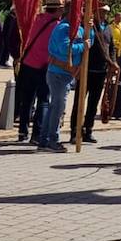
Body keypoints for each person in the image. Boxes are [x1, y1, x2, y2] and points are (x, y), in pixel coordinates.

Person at [17, 0, 63, 143]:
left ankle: (22, 131)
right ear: (57, 10)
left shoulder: (37, 19)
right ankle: (36, 134)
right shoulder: (57, 26)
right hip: (44, 66)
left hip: (28, 64)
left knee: (27, 100)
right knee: (43, 100)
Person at [38, 13, 85, 152]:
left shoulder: (80, 29)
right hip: (58, 74)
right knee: (58, 108)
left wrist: (90, 29)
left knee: (55, 107)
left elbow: (90, 40)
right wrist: (83, 46)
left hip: (68, 75)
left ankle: (44, 139)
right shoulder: (63, 28)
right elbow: (65, 49)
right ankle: (53, 140)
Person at [69, 12, 113, 145]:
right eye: (102, 11)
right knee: (79, 102)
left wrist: (112, 61)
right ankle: (75, 131)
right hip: (87, 69)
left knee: (93, 103)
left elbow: (111, 47)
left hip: (101, 70)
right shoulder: (89, 27)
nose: (104, 14)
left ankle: (88, 129)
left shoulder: (108, 28)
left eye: (106, 12)